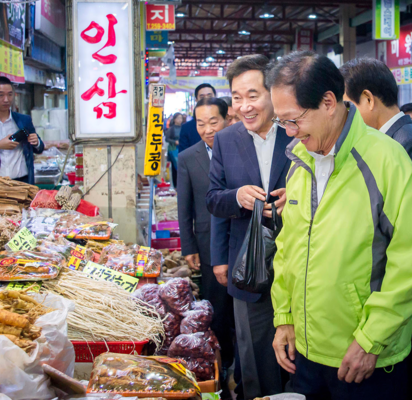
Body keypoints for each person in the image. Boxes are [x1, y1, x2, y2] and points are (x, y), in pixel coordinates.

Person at [268, 51, 412, 400]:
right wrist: (284, 316)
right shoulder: (300, 161)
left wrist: (371, 338)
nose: (289, 132)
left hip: (364, 359)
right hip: (307, 355)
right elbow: (288, 247)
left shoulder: (386, 160)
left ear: (329, 102)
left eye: (293, 120)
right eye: (281, 123)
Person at [340, 57, 412, 400]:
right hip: (390, 292)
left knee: (399, 384)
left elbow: (410, 229)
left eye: (347, 106)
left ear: (368, 100)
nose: (344, 117)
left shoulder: (405, 143)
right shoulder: (391, 139)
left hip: (404, 293)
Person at [206, 54, 292, 399]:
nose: (244, 106)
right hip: (248, 265)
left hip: (299, 262)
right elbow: (213, 199)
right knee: (255, 357)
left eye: (252, 95)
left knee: (303, 352)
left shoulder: (298, 133)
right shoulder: (227, 140)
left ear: (272, 92)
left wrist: (296, 199)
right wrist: (237, 196)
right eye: (237, 97)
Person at [177, 97, 235, 400]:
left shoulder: (240, 148)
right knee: (216, 305)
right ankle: (221, 366)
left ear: (226, 119)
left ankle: (239, 363)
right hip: (206, 240)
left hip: (238, 240)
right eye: (201, 123)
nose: (208, 129)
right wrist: (189, 247)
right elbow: (183, 205)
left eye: (213, 121)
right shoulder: (187, 157)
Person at [178, 84, 216, 153]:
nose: (206, 99)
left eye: (209, 96)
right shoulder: (186, 128)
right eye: (202, 97)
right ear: (196, 100)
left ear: (215, 97)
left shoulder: (225, 123)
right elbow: (183, 157)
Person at [165, 112, 183, 187]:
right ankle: (176, 185)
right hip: (173, 149)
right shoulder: (171, 129)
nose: (180, 120)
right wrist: (174, 141)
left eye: (181, 118)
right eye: (178, 118)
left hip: (182, 148)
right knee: (175, 168)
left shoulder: (184, 127)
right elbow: (167, 139)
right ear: (175, 119)